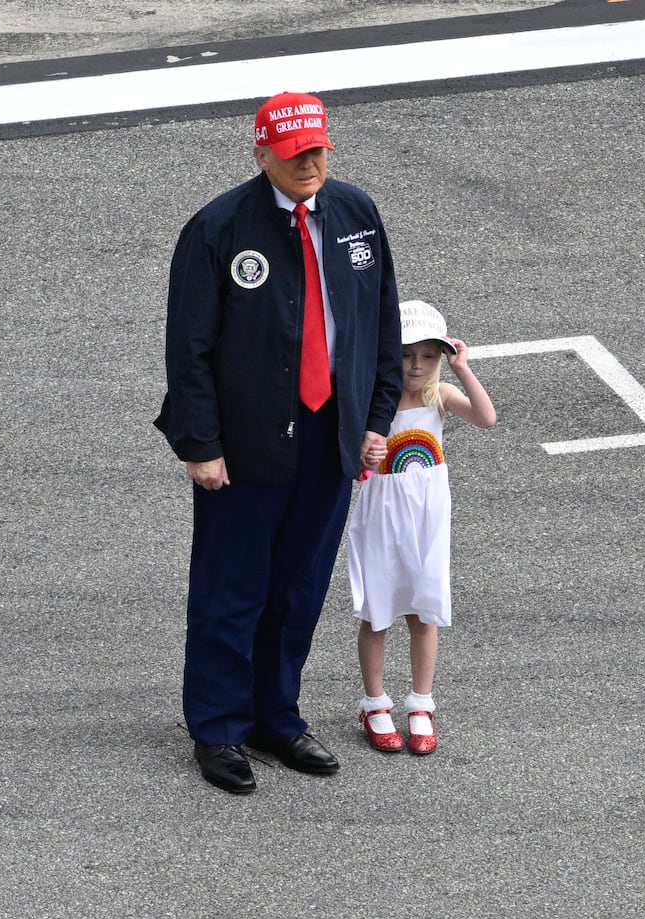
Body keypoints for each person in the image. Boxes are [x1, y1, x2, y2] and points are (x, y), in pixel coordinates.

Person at [155, 91, 404, 794]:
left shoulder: (357, 215)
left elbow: (380, 322)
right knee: (231, 591)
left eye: (319, 149)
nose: (310, 163)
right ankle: (219, 726)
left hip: (331, 436)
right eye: (296, 154)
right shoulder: (218, 228)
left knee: (297, 589)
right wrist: (200, 444)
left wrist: (375, 419)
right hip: (245, 443)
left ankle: (276, 715)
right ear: (261, 154)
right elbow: (189, 348)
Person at [346, 299, 496, 756]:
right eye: (407, 354)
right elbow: (355, 462)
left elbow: (487, 417)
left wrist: (463, 368)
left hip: (427, 519)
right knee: (379, 610)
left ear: (441, 358)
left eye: (428, 356)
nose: (416, 365)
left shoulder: (441, 397)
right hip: (383, 515)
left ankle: (420, 704)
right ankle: (375, 703)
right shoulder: (374, 401)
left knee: (423, 610)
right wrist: (363, 458)